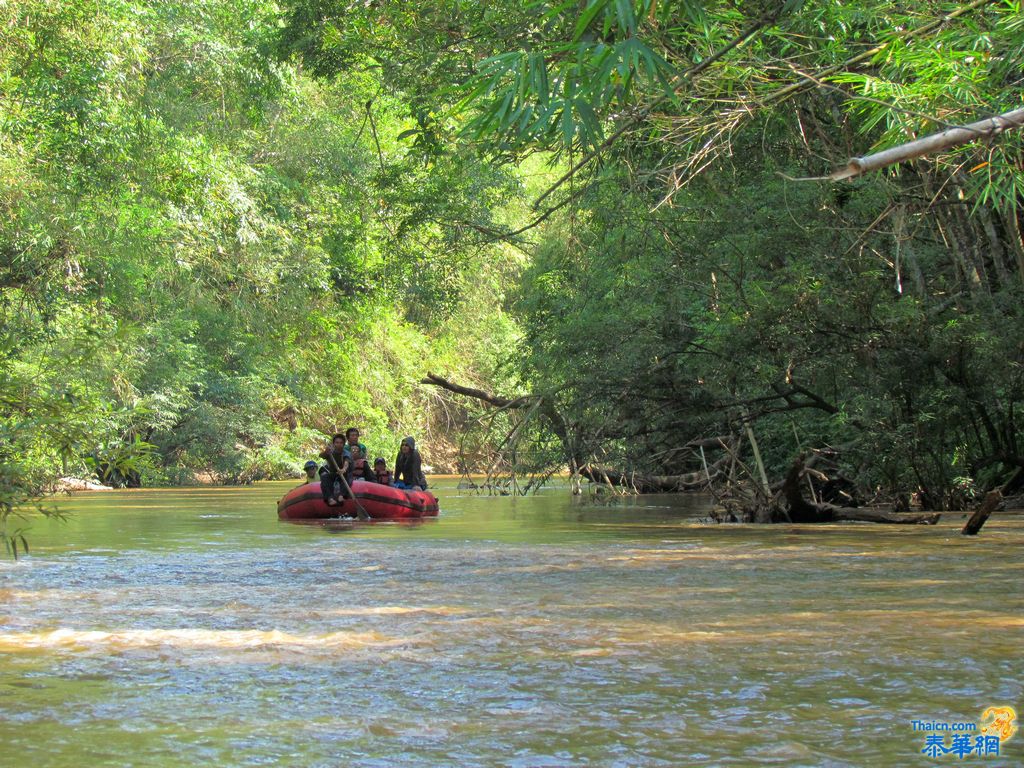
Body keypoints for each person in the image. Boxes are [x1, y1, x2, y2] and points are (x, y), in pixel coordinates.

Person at [319, 433, 352, 506]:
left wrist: (343, 469)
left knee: (348, 477)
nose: (339, 444)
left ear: (343, 444)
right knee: (324, 477)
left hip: (344, 473)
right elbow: (321, 455)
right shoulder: (330, 452)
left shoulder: (346, 453)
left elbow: (346, 462)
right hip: (334, 474)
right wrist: (326, 451)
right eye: (337, 442)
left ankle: (341, 495)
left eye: (341, 443)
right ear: (334, 444)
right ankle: (330, 498)